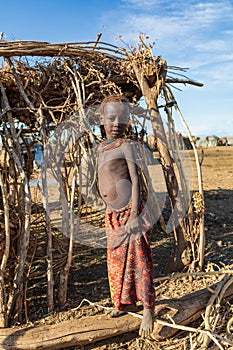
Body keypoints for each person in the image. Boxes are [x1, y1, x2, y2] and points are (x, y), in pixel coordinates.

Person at [97, 94, 155, 338]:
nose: (116, 123)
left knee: (139, 260)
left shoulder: (126, 146)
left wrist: (133, 214)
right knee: (117, 261)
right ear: (101, 119)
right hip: (112, 214)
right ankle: (123, 303)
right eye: (111, 118)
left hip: (130, 213)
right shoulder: (101, 147)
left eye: (122, 118)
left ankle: (149, 309)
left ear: (128, 120)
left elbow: (136, 180)